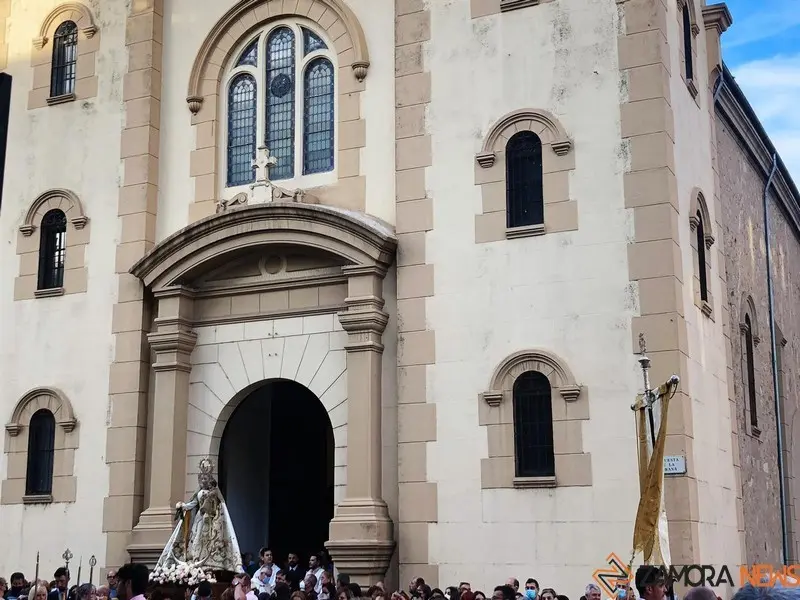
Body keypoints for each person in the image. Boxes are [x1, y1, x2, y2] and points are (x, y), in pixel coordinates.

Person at [154, 458, 243, 575]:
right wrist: (183, 506)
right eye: (202, 478)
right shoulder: (199, 492)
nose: (203, 480)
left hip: (210, 519)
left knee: (209, 540)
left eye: (206, 478)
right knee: (196, 539)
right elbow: (193, 504)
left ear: (210, 479)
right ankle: (195, 558)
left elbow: (220, 506)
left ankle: (209, 561)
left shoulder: (214, 492)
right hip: (199, 519)